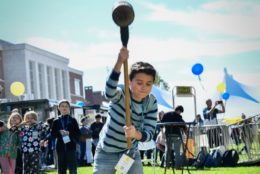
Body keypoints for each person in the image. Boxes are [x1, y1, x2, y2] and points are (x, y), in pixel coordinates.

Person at [93, 47, 158, 174]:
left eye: (149, 84)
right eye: (139, 82)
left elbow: (149, 133)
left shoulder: (151, 102)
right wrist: (120, 61)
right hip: (106, 151)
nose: (144, 87)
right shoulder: (122, 93)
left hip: (130, 152)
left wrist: (135, 134)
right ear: (129, 81)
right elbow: (109, 92)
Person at [51, 99, 81, 174]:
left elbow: (78, 133)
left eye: (66, 106)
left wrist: (69, 133)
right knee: (61, 169)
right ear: (59, 108)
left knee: (73, 169)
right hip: (60, 148)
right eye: (62, 106)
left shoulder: (73, 120)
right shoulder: (56, 121)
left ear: (69, 108)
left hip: (71, 147)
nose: (64, 108)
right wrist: (59, 132)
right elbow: (52, 134)